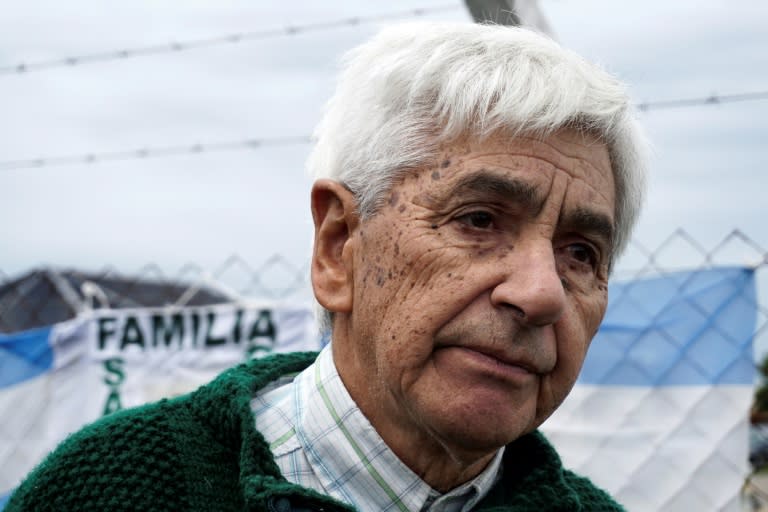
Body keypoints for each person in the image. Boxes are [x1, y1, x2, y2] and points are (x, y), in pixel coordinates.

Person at [7, 21, 647, 511]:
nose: (541, 294)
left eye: (580, 254)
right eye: (479, 220)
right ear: (339, 246)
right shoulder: (116, 491)